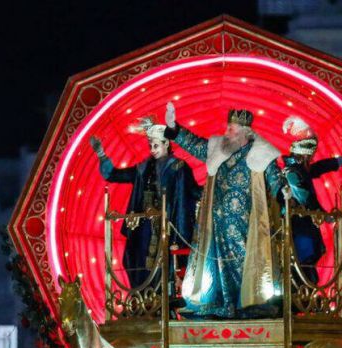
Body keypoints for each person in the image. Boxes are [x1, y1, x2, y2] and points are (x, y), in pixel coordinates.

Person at [164, 102, 284, 318]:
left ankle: (245, 305)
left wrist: (284, 193)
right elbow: (195, 144)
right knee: (216, 268)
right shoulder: (218, 147)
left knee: (243, 268)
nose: (226, 133)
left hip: (246, 228)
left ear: (245, 134)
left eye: (232, 130)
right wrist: (174, 128)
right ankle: (222, 303)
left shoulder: (262, 152)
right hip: (216, 226)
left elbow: (275, 179)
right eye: (227, 128)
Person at [90, 118, 200, 290]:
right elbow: (113, 175)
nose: (152, 150)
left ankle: (162, 303)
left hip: (169, 225)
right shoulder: (142, 168)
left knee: (166, 264)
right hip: (143, 225)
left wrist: (215, 186)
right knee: (134, 258)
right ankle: (141, 301)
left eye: (156, 146)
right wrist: (101, 155)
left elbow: (192, 192)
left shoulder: (179, 168)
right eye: (150, 146)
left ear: (166, 144)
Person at [278, 116, 342, 284]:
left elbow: (319, 167)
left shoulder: (299, 169)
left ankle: (308, 293)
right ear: (304, 157)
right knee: (302, 261)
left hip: (303, 225)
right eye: (310, 157)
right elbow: (305, 197)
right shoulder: (293, 173)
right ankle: (302, 296)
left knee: (308, 260)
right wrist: (323, 215)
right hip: (297, 227)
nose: (312, 160)